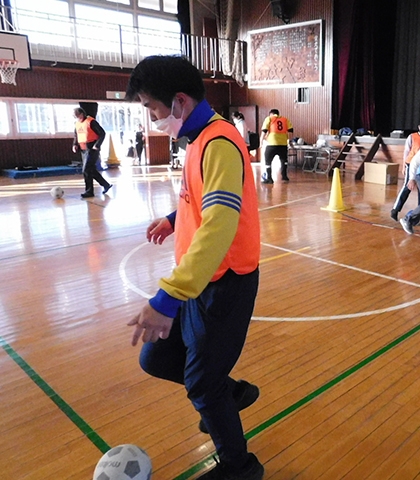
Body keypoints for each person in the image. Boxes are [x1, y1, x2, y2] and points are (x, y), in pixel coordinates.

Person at [125, 55, 264, 480]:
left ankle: (241, 468)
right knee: (156, 359)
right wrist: (173, 218)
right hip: (199, 281)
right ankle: (230, 393)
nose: (152, 118)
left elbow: (219, 227)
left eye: (152, 107)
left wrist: (166, 297)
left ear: (179, 102)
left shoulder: (219, 143)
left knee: (202, 384)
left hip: (223, 284)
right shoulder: (201, 139)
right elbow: (205, 199)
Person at [390, 118, 420, 221]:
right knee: (407, 187)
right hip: (411, 164)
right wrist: (404, 165)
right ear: (419, 127)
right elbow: (407, 151)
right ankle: (395, 209)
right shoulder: (412, 137)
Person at [72, 107, 112, 198]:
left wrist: (97, 145)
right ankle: (105, 185)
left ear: (82, 114)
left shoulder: (91, 121)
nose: (76, 118)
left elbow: (102, 133)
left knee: (86, 170)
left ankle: (89, 191)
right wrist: (75, 144)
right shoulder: (77, 123)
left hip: (92, 148)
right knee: (91, 170)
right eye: (75, 117)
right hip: (83, 149)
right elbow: (76, 135)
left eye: (77, 116)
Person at [260, 108, 293, 184]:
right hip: (283, 144)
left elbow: (264, 131)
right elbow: (290, 131)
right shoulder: (285, 119)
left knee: (268, 161)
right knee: (284, 161)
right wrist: (289, 141)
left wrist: (261, 142)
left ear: (271, 114)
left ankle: (269, 178)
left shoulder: (269, 118)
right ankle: (284, 176)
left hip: (272, 144)